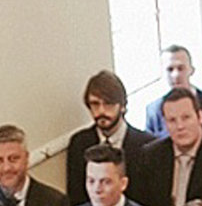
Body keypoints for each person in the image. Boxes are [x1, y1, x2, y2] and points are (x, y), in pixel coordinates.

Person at [63, 69, 153, 198]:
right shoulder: (79, 143)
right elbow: (76, 196)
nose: (101, 111)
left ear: (122, 106)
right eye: (95, 104)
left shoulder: (147, 145)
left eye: (108, 104)